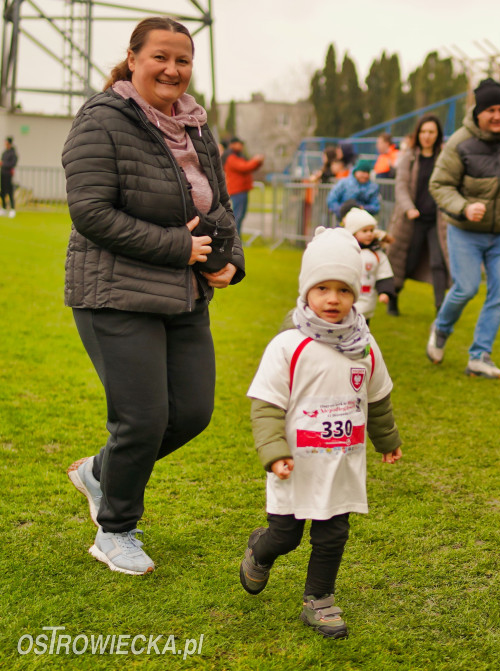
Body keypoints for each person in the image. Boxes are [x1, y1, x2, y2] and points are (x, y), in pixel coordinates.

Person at [63, 16, 244, 575]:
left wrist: (231, 263)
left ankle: (100, 471)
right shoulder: (103, 120)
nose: (172, 69)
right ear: (134, 58)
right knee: (141, 419)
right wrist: (177, 247)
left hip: (184, 294)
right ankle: (115, 530)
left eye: (183, 60)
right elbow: (91, 212)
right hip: (114, 292)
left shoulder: (196, 127)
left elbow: (220, 208)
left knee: (191, 413)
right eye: (160, 57)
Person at [240, 226, 402, 639]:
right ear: (306, 291)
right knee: (286, 536)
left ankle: (320, 602)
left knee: (332, 536)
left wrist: (387, 441)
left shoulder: (365, 346)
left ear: (356, 295)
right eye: (323, 288)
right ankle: (260, 551)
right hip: (294, 465)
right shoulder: (288, 345)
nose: (333, 299)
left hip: (342, 464)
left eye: (343, 290)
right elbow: (266, 405)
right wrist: (274, 452)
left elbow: (378, 398)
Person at [426, 77, 500, 379]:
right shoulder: (459, 143)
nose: (497, 115)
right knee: (465, 288)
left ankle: (480, 356)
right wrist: (464, 206)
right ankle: (441, 330)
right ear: (477, 113)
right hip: (465, 231)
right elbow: (440, 184)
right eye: (490, 109)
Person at [387, 114, 450, 316]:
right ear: (418, 134)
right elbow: (401, 186)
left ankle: (441, 308)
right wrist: (409, 208)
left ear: (438, 134)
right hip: (412, 219)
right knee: (406, 260)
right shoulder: (409, 157)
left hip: (436, 220)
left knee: (438, 262)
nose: (427, 136)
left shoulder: (445, 157)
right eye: (423, 131)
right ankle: (393, 297)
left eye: (431, 132)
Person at [343, 208, 395, 325]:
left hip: (367, 302)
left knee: (363, 332)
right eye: (365, 231)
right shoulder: (347, 251)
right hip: (346, 301)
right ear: (353, 232)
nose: (369, 234)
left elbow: (384, 273)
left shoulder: (377, 254)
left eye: (371, 230)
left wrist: (385, 292)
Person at [223, 136, 264, 235]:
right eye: (239, 144)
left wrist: (257, 163)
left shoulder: (238, 156)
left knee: (240, 215)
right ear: (233, 144)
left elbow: (249, 167)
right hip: (237, 190)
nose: (241, 146)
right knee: (238, 215)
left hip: (241, 190)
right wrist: (256, 160)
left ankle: (237, 238)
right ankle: (235, 238)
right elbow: (244, 167)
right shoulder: (231, 157)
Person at [327, 158, 380, 222]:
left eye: (367, 172)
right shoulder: (344, 183)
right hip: (343, 221)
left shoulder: (372, 187)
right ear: (356, 172)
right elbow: (331, 199)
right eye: (363, 172)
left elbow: (376, 206)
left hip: (363, 222)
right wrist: (342, 210)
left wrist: (362, 208)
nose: (365, 175)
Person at [1, 136, 17, 216]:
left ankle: (12, 209)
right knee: (2, 192)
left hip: (9, 175)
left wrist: (3, 164)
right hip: (3, 174)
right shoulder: (4, 153)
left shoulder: (13, 153)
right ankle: (3, 208)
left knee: (10, 192)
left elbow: (13, 164)